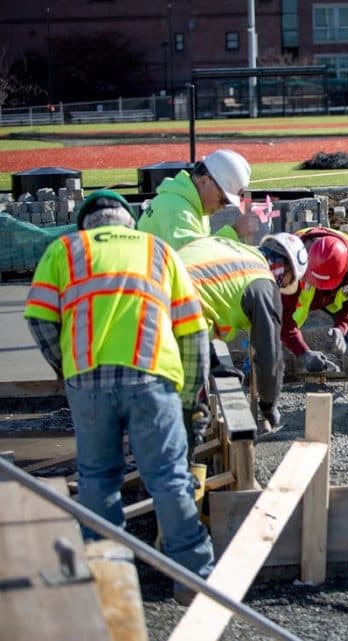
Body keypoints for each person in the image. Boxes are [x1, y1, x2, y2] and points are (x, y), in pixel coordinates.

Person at [24, 189, 214, 604]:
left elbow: (38, 317)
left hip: (87, 379)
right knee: (168, 477)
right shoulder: (158, 250)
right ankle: (193, 580)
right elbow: (194, 332)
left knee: (97, 479)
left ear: (86, 224)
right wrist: (188, 398)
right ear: (128, 220)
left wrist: (65, 365)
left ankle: (110, 580)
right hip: (152, 376)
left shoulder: (65, 250)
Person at [178, 233, 308, 430]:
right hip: (174, 315)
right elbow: (268, 355)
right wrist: (268, 405)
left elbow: (200, 297)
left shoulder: (234, 251)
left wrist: (214, 363)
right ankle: (185, 455)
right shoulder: (262, 281)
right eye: (287, 281)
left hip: (142, 293)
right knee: (190, 411)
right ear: (287, 268)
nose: (283, 286)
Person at [281, 226, 348, 374]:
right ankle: (253, 371)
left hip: (336, 299)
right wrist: (304, 353)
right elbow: (282, 318)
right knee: (268, 332)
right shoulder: (291, 265)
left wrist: (341, 327)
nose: (321, 287)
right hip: (299, 299)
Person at [137, 149, 258, 250]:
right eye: (223, 199)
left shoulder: (189, 205)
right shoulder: (177, 211)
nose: (223, 207)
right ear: (204, 181)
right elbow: (195, 258)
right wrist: (234, 232)